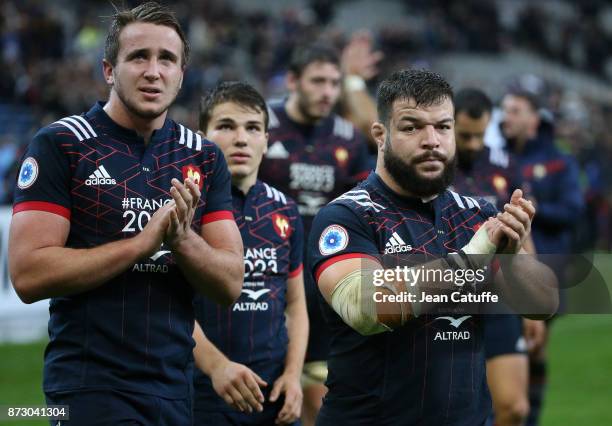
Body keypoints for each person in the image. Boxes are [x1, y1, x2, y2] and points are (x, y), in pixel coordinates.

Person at [9, 3, 243, 425]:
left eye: (166, 59)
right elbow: (27, 274)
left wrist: (183, 239)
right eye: (139, 57)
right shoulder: (63, 144)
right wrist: (140, 244)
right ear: (109, 70)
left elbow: (229, 283)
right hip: (87, 388)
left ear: (181, 74)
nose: (153, 71)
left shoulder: (204, 157)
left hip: (174, 389)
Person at [308, 69, 558, 425]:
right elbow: (363, 308)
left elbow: (544, 303)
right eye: (411, 128)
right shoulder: (348, 216)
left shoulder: (477, 214)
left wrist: (514, 258)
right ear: (381, 135)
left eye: (442, 127)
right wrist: (473, 256)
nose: (432, 140)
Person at [257, 42, 372, 425]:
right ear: (293, 81)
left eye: (335, 83)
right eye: (318, 81)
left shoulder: (348, 138)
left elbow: (362, 208)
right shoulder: (261, 126)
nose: (327, 92)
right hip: (266, 280)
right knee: (264, 397)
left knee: (318, 401)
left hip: (323, 279)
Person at [191, 81, 308, 425]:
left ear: (267, 140)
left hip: (274, 397)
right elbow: (169, 307)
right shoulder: (183, 208)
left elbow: (296, 304)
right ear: (203, 136)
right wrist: (217, 367)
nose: (241, 138)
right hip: (202, 394)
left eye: (253, 128)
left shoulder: (285, 210)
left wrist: (293, 375)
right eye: (226, 126)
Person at [452, 88, 546, 426]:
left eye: (480, 135)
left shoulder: (504, 165)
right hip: (450, 294)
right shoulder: (434, 165)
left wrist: (531, 305)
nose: (474, 144)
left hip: (499, 291)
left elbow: (525, 233)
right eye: (465, 136)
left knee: (514, 408)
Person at [500, 89, 583, 426]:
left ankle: (528, 418)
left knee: (533, 350)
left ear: (534, 118)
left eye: (515, 110)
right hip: (502, 270)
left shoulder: (559, 161)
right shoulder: (498, 157)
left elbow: (573, 210)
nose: (507, 117)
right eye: (505, 110)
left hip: (545, 269)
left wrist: (528, 210)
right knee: (503, 349)